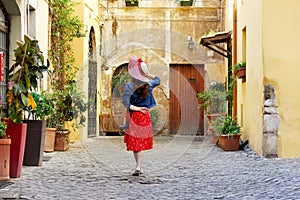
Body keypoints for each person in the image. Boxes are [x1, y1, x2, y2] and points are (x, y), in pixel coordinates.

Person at [122, 56, 160, 176]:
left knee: (135, 142)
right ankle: (139, 166)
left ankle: (137, 166)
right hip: (145, 116)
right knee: (141, 141)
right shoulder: (149, 84)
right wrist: (148, 74)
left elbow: (126, 103)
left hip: (134, 116)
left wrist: (137, 108)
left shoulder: (129, 86)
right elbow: (158, 79)